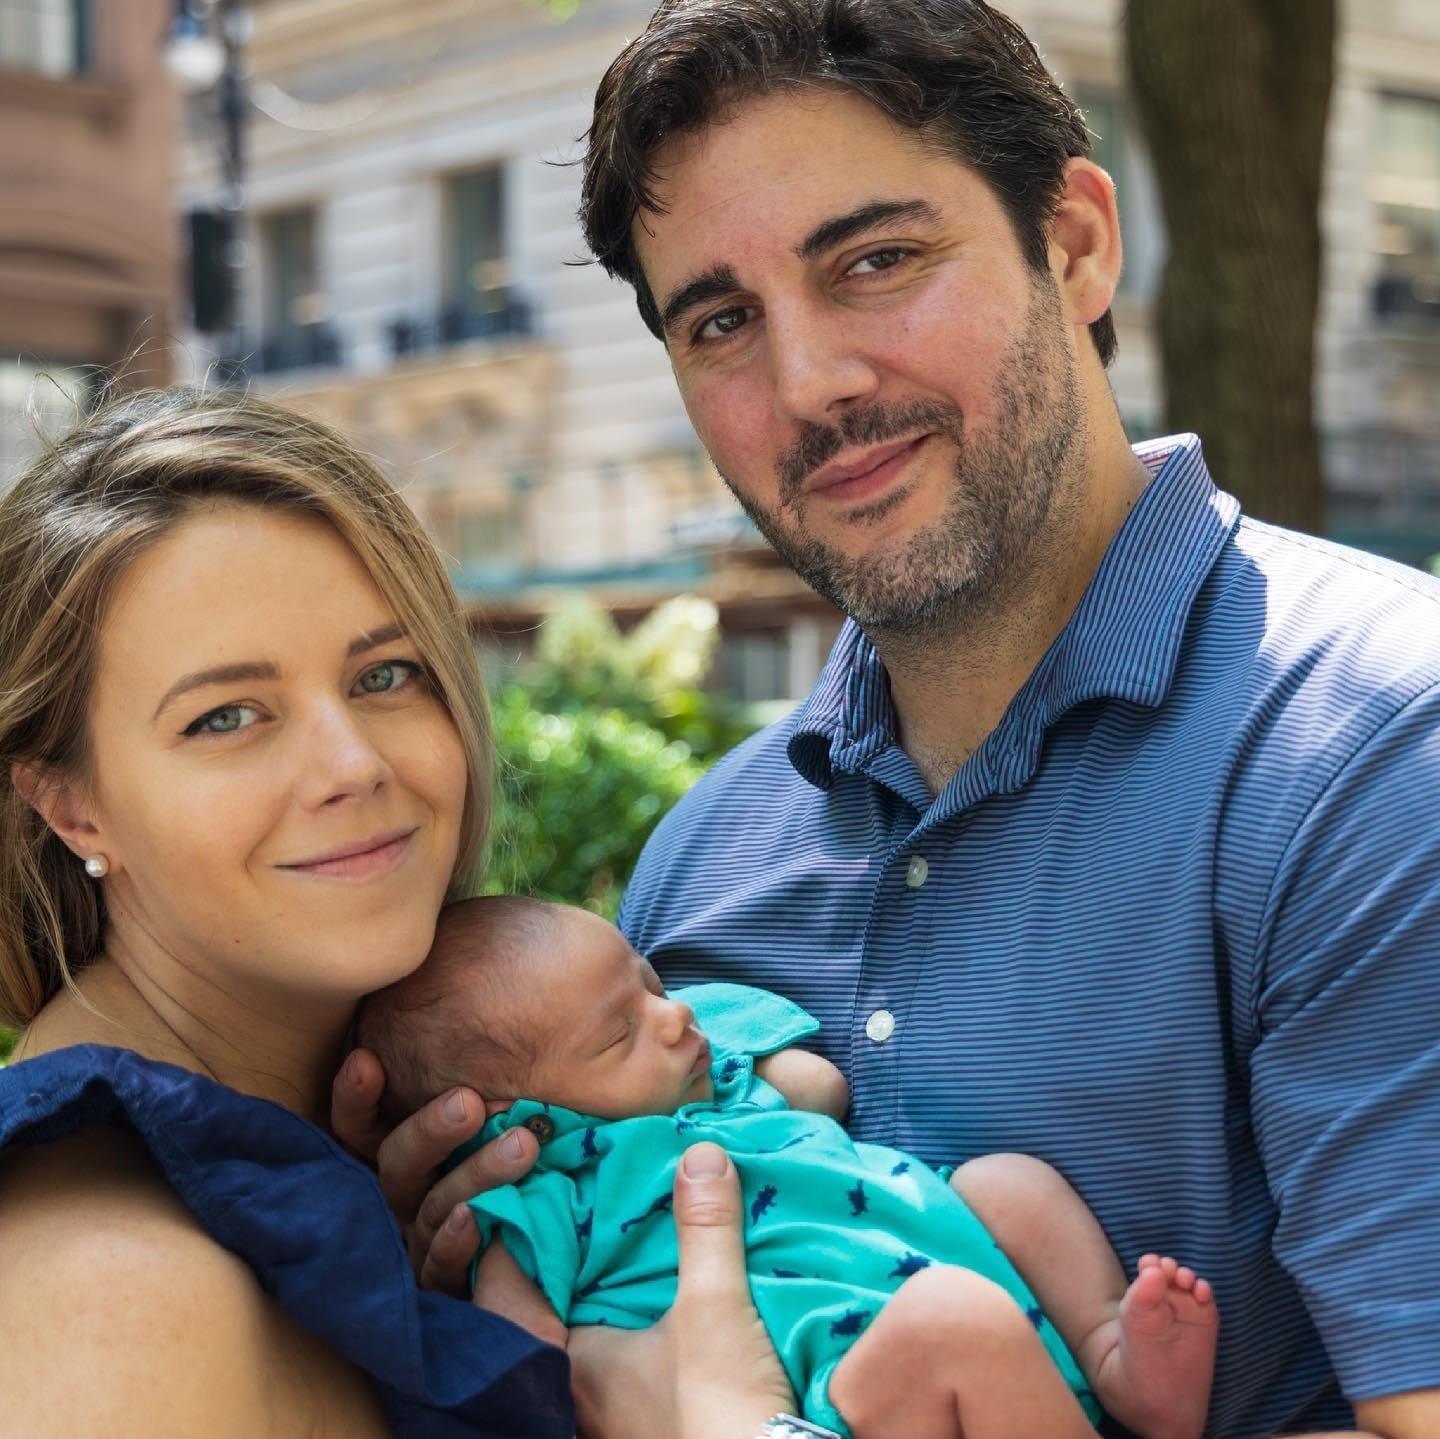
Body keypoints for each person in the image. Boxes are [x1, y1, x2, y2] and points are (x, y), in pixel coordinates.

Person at [336, 2, 1440, 1437]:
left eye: (876, 260)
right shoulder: (699, 862)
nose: (810, 387)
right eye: (722, 321)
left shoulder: (1379, 744)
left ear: (1078, 243)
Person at [0, 386, 768, 1438]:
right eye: (226, 715)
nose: (353, 764)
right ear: (72, 805)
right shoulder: (116, 1293)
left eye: (384, 674)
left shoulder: (357, 1160)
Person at [359, 893, 1220, 1439]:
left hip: (962, 1284)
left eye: (652, 983)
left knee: (1008, 1183)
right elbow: (527, 1367)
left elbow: (824, 1082)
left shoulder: (719, 1086)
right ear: (526, 1118)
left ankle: (1116, 1353)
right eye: (619, 1034)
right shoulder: (545, 1193)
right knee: (955, 1318)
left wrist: (719, 1057)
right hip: (840, 1387)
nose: (672, 1017)